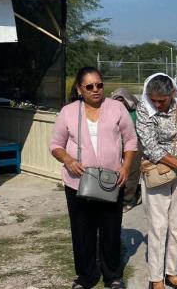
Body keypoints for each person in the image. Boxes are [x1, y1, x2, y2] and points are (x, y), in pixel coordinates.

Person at [49, 67, 137, 289]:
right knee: (82, 232)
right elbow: (55, 145)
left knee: (110, 230)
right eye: (89, 86)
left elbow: (131, 141)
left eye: (99, 85)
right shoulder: (68, 112)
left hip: (111, 181)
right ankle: (86, 277)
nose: (96, 90)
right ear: (80, 89)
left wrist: (126, 167)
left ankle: (113, 276)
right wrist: (68, 160)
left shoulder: (116, 108)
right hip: (78, 182)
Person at [136, 73, 177, 289]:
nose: (157, 104)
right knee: (158, 226)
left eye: (161, 100)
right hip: (157, 173)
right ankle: (156, 278)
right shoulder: (144, 108)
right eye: (153, 99)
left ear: (173, 94)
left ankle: (172, 272)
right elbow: (150, 145)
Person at [111, 88, 142, 213]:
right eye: (116, 99)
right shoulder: (110, 112)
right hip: (117, 144)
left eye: (121, 99)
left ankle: (128, 199)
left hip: (135, 145)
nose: (119, 102)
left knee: (132, 172)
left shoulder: (137, 112)